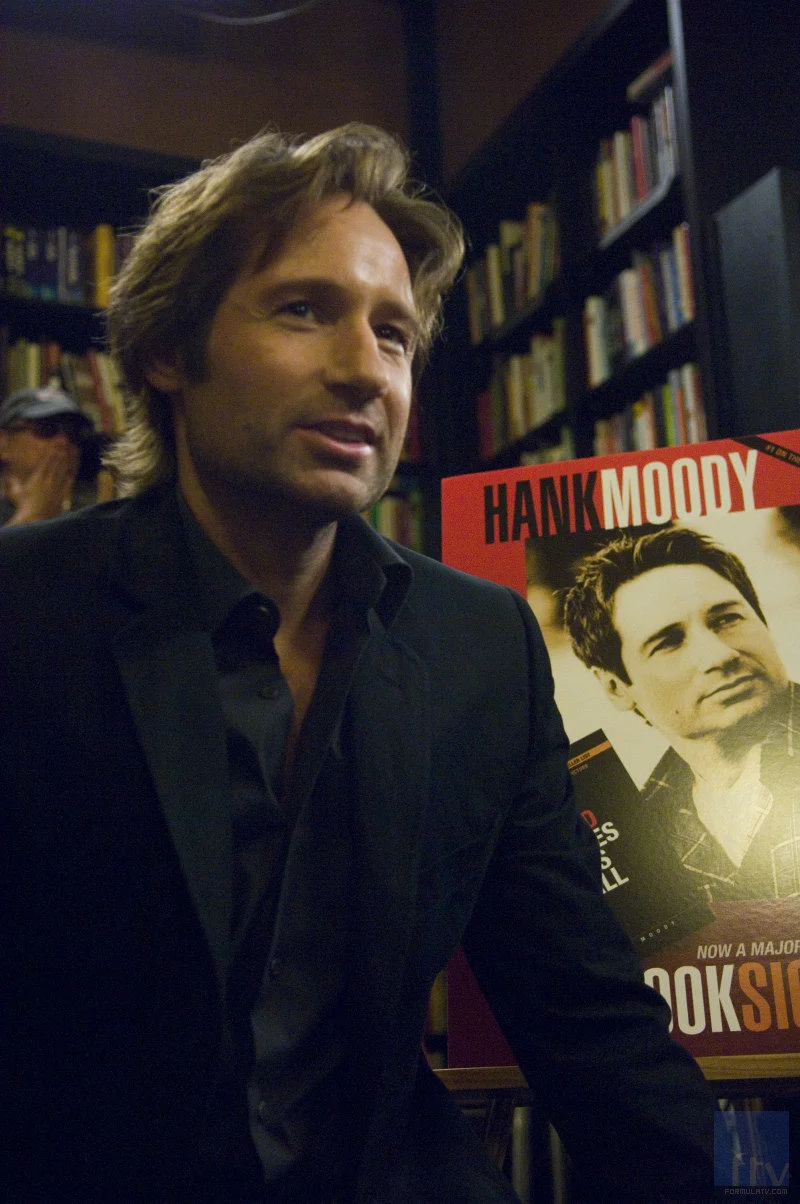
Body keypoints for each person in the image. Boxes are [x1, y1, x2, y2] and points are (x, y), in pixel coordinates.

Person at [1, 124, 714, 1203]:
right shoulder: (25, 610)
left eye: (394, 334)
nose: (362, 371)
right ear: (166, 351)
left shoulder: (481, 646)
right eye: (302, 310)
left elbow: (585, 1013)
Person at [564, 524, 800, 903]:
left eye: (727, 619)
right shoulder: (635, 840)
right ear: (616, 687)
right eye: (668, 643)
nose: (720, 655)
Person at [0, 384, 109, 525]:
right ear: (3, 443)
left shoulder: (95, 511)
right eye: (47, 429)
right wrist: (32, 515)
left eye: (73, 433)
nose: (64, 442)